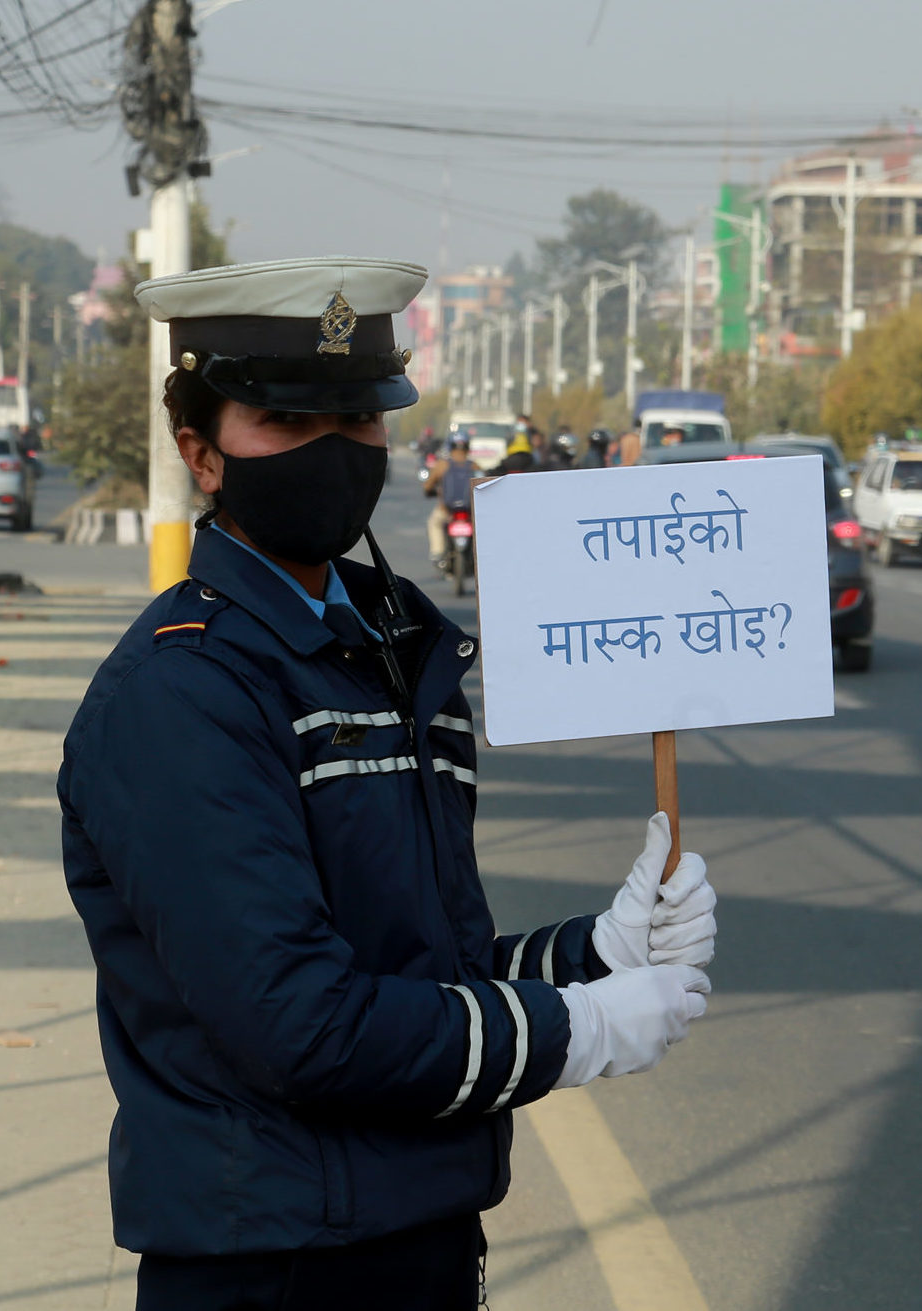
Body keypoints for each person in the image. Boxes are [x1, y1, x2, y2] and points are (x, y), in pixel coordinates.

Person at [59, 257, 718, 1311]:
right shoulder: (179, 696)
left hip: (414, 1235)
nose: (333, 450)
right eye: (284, 423)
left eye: (358, 419)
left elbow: (417, 965)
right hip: (273, 1267)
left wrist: (592, 955)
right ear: (201, 452)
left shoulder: (392, 649)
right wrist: (570, 1031)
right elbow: (302, 1025)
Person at [423, 431, 476, 567]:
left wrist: (430, 491)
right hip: (471, 512)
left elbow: (428, 486)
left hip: (447, 510)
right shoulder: (474, 466)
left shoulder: (442, 465)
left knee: (434, 523)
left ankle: (438, 553)